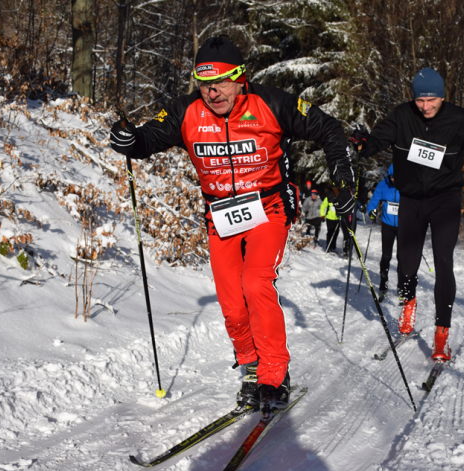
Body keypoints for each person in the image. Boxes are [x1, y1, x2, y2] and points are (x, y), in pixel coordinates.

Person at [109, 36, 355, 414]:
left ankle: (275, 373)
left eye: (222, 81)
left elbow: (329, 128)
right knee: (232, 303)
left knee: (255, 281)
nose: (213, 91)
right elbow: (148, 139)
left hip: (268, 207)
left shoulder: (271, 103)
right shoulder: (186, 111)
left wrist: (342, 176)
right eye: (205, 83)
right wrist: (130, 139)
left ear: (241, 77)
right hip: (220, 214)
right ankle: (251, 367)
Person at [351, 67, 464, 363]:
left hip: (445, 200)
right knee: (407, 262)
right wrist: (362, 144)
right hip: (411, 200)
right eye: (420, 101)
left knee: (443, 261)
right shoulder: (402, 116)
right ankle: (408, 307)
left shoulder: (461, 120)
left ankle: (442, 333)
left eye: (432, 100)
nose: (426, 107)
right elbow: (375, 143)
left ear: (442, 97)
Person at [366, 164, 400, 302]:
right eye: (392, 177)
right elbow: (374, 201)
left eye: (397, 178)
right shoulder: (382, 185)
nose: (394, 180)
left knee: (402, 258)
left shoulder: (406, 185)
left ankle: (402, 288)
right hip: (387, 225)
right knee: (386, 256)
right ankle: (383, 286)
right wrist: (371, 210)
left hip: (403, 226)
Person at [320, 190, 351, 257]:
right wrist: (322, 215)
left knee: (336, 232)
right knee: (330, 232)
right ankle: (328, 247)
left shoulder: (340, 198)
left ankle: (333, 246)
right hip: (329, 218)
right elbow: (323, 206)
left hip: (338, 218)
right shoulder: (328, 198)